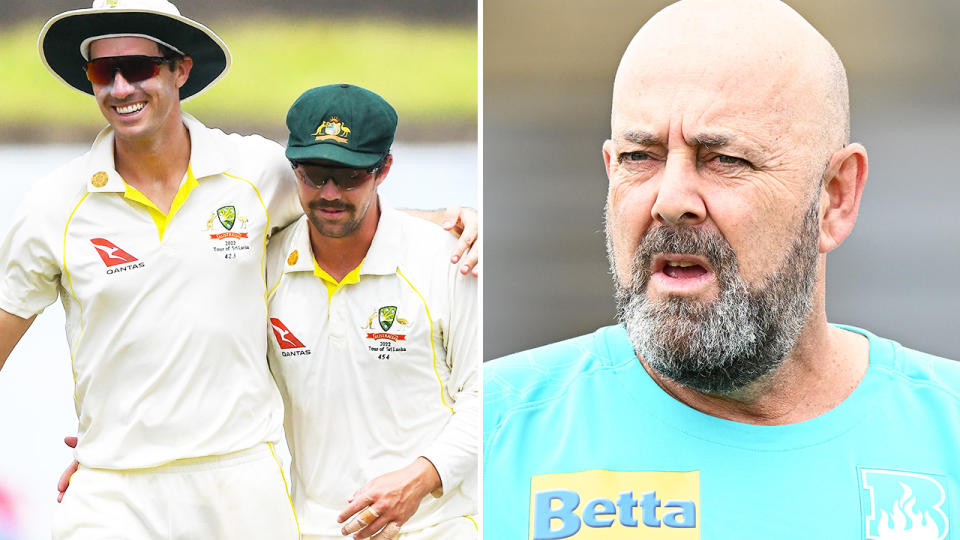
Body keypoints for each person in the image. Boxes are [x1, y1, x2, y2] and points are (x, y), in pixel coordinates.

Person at [483, 0, 960, 538]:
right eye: (641, 158)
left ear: (835, 197)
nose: (670, 200)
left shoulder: (948, 437)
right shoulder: (488, 432)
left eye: (725, 160)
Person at [0, 0, 476, 537]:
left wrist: (449, 219)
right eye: (101, 72)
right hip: (113, 486)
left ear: (180, 69)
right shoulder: (51, 206)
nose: (120, 88)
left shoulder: (254, 172)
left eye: (137, 68)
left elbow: (339, 208)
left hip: (243, 485)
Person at [265, 84, 478, 540]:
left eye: (349, 176)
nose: (329, 193)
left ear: (384, 170)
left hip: (441, 526)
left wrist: (421, 478)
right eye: (314, 174)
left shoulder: (451, 260)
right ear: (293, 167)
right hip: (315, 530)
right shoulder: (263, 270)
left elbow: (488, 393)